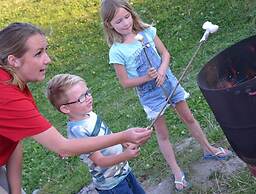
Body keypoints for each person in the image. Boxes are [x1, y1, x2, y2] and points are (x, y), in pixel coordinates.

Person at [0, 22, 152, 194]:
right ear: (13, 61)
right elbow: (63, 147)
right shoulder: (7, 97)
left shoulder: (13, 84)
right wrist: (124, 136)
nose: (48, 59)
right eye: (38, 53)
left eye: (45, 50)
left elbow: (13, 139)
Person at [100, 0, 232, 191]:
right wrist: (147, 77)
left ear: (131, 14)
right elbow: (125, 82)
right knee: (162, 134)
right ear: (109, 25)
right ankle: (176, 171)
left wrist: (161, 71)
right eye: (118, 21)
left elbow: (165, 54)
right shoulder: (117, 51)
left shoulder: (147, 32)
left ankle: (208, 149)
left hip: (169, 82)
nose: (125, 23)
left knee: (188, 117)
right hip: (150, 95)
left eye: (126, 17)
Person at [46, 73, 146, 194]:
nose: (88, 97)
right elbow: (100, 161)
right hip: (111, 184)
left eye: (87, 92)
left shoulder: (89, 114)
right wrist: (125, 156)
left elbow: (107, 135)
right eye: (81, 98)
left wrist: (124, 142)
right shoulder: (78, 132)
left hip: (122, 170)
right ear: (66, 109)